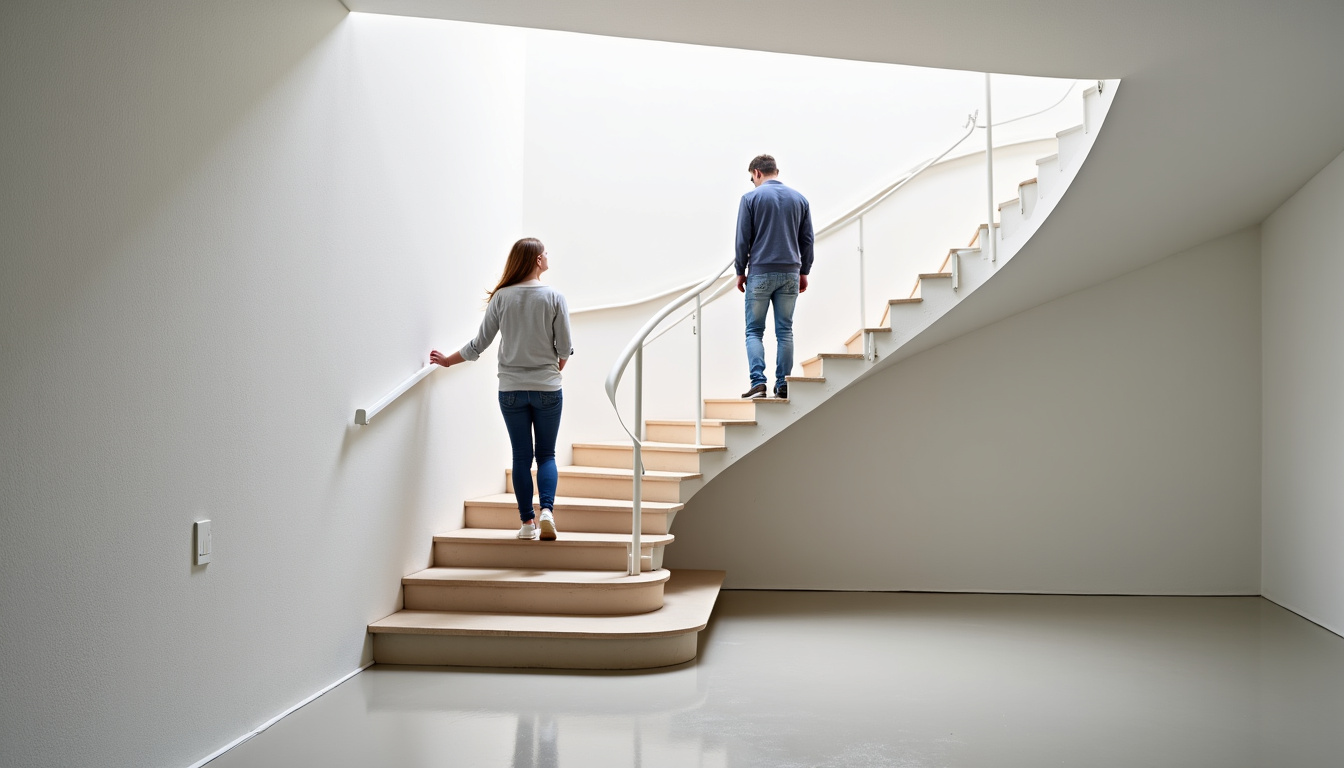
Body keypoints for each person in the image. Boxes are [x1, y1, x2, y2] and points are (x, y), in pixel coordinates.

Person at [430, 238, 573, 541]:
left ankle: (527, 524)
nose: (548, 257)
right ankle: (547, 511)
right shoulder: (555, 297)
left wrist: (447, 361)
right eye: (545, 253)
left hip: (510, 390)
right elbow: (565, 348)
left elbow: (477, 345)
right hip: (547, 388)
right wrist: (554, 368)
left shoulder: (501, 298)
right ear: (536, 260)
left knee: (521, 457)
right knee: (546, 455)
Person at [735, 154, 814, 400]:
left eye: (752, 178)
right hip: (790, 272)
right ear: (775, 171)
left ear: (757, 172)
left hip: (760, 272)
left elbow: (742, 240)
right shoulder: (800, 199)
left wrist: (740, 271)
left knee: (754, 331)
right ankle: (783, 385)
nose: (753, 182)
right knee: (785, 331)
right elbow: (807, 240)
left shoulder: (750, 198)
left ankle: (758, 383)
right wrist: (804, 271)